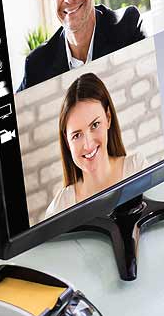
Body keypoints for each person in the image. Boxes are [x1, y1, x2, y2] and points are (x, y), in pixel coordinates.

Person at [44, 73, 145, 219]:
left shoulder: (136, 169)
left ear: (108, 118)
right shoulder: (61, 207)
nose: (88, 144)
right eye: (77, 135)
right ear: (67, 141)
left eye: (95, 125)